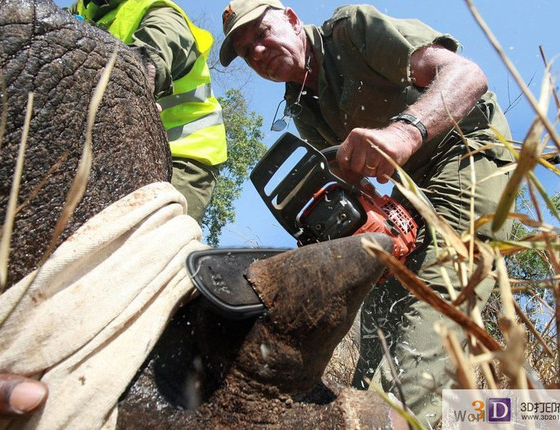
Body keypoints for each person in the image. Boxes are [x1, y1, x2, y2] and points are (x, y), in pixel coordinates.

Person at [219, 0, 514, 425]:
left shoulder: (351, 31)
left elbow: (468, 75)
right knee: (376, 321)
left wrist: (404, 131)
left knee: (428, 311)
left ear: (291, 20)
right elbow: (353, 180)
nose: (258, 53)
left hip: (467, 155)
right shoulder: (301, 105)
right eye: (247, 52)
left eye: (261, 34)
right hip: (408, 194)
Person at [69, 0, 227, 223]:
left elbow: (157, 49)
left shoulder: (160, 10)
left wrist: (137, 79)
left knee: (156, 237)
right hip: (124, 146)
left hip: (185, 152)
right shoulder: (83, 11)